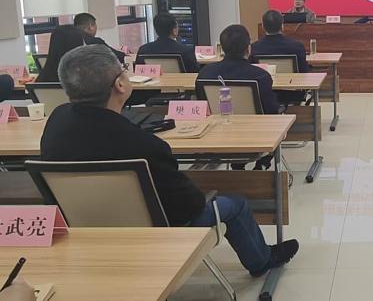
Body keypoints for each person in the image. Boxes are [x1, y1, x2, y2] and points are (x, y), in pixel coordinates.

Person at [40, 45, 299, 276]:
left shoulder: (56, 123)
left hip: (85, 226)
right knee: (236, 203)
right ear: (120, 85)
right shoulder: (144, 146)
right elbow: (190, 206)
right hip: (160, 231)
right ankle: (262, 261)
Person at [196, 25, 279, 115]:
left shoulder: (204, 73)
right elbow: (271, 111)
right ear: (248, 48)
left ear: (222, 48)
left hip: (217, 122)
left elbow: (202, 107)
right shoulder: (261, 76)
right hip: (254, 123)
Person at [252, 10, 310, 105]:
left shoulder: (254, 48)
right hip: (293, 94)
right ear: (282, 25)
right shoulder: (297, 46)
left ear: (263, 26)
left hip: (265, 94)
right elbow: (304, 73)